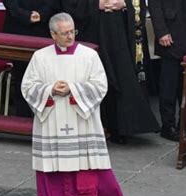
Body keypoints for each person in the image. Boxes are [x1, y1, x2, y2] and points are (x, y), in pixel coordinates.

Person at [21, 13, 129, 196]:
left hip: (82, 123)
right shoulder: (40, 57)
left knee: (92, 175)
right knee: (51, 176)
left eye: (72, 32)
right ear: (53, 35)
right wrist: (50, 90)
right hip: (51, 124)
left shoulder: (89, 56)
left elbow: (100, 86)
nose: (70, 36)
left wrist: (72, 89)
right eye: (65, 33)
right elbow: (28, 87)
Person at [62, 0, 160, 144]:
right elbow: (69, 5)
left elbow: (138, 3)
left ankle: (118, 127)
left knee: (119, 78)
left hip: (119, 31)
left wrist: (124, 4)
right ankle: (96, 126)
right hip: (93, 30)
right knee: (93, 78)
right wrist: (97, 5)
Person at [148, 0, 186, 142]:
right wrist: (161, 31)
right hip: (171, 31)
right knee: (169, 84)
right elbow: (154, 4)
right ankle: (168, 125)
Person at [3, 0, 60, 117]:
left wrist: (42, 14)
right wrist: (25, 15)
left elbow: (54, 3)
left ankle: (41, 113)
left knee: (43, 76)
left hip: (44, 29)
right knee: (20, 76)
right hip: (17, 28)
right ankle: (22, 116)